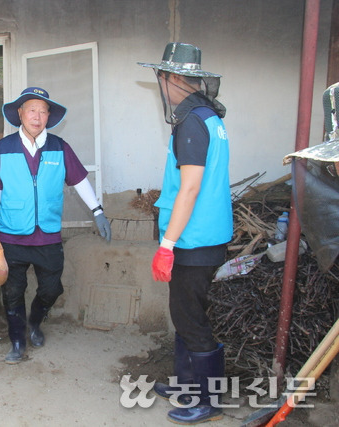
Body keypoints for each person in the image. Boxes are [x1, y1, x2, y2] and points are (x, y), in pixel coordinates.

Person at [0, 87, 111, 364]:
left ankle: (34, 322)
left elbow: (78, 181)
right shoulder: (4, 148)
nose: (36, 116)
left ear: (49, 115)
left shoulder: (59, 147)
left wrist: (98, 210)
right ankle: (17, 340)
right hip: (13, 235)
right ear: (20, 114)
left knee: (52, 289)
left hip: (48, 236)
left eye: (42, 111)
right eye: (31, 110)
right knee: (12, 292)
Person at [138, 42, 232, 425]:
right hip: (208, 235)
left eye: (161, 77)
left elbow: (190, 187)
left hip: (194, 241)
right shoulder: (210, 117)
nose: (160, 85)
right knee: (184, 313)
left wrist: (167, 245)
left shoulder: (190, 121)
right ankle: (186, 385)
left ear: (173, 78)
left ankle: (207, 401)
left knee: (191, 318)